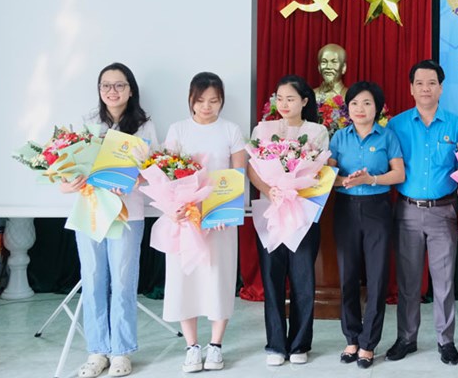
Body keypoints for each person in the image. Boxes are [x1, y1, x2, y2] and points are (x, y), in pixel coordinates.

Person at [60, 62, 158, 378]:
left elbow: (154, 170)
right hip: (90, 210)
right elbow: (71, 166)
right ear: (99, 90)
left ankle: (121, 352)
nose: (112, 91)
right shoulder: (87, 123)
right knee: (92, 280)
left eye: (119, 85)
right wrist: (70, 182)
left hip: (128, 212)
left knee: (123, 281)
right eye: (106, 85)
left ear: (131, 89)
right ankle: (97, 350)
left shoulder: (144, 125)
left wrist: (133, 180)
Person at [162, 72, 247, 373]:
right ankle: (191, 346)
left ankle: (215, 345)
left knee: (218, 278)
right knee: (184, 279)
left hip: (219, 219)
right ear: (191, 99)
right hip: (186, 218)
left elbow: (237, 176)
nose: (207, 107)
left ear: (222, 100)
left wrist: (226, 211)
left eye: (214, 100)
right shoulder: (178, 129)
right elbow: (167, 173)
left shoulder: (231, 130)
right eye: (200, 101)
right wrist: (177, 208)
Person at [385, 60, 458, 366]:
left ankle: (446, 340)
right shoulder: (397, 125)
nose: (425, 89)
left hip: (444, 211)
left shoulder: (457, 125)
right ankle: (406, 338)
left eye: (432, 83)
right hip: (407, 211)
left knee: (444, 282)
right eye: (419, 83)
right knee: (408, 282)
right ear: (411, 89)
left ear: (441, 88)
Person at [247, 75, 329, 366]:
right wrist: (269, 188)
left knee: (303, 279)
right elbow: (253, 168)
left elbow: (320, 170)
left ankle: (299, 344)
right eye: (279, 98)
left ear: (304, 101)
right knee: (272, 279)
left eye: (290, 99)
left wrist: (294, 188)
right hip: (271, 213)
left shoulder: (317, 131)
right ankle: (275, 345)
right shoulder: (263, 129)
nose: (283, 104)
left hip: (303, 214)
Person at [328, 81, 405, 369]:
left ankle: (368, 343)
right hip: (346, 209)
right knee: (347, 275)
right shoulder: (339, 137)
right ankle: (351, 338)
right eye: (355, 103)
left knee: (377, 277)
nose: (360, 108)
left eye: (367, 103)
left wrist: (370, 179)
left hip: (378, 209)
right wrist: (344, 181)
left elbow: (398, 174)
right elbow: (327, 176)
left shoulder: (387, 136)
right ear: (347, 108)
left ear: (378, 108)